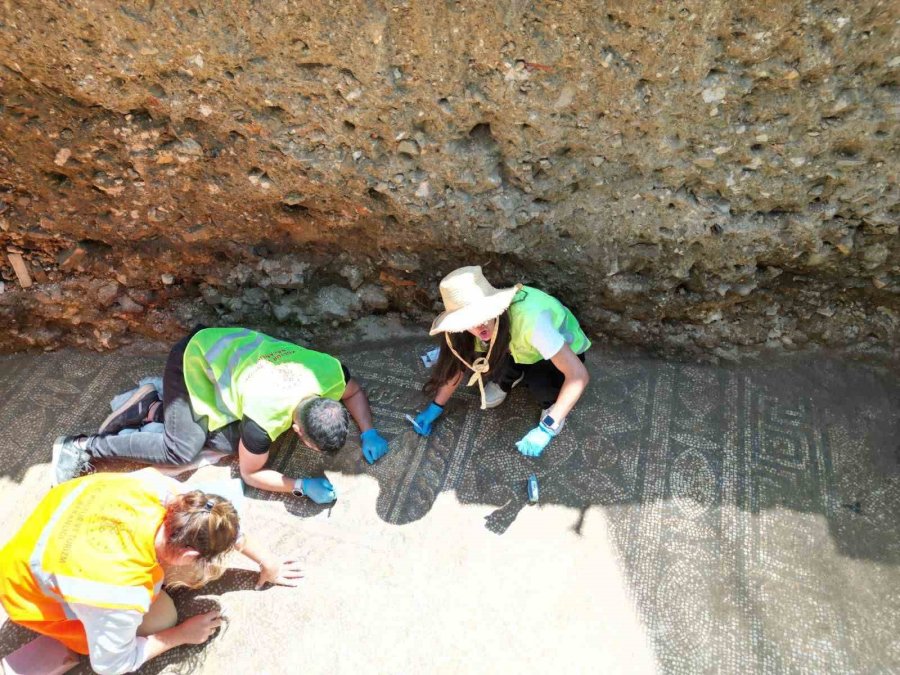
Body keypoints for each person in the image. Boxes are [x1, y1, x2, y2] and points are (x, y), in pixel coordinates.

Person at [0, 468, 301, 675]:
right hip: (26, 595)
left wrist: (268, 562)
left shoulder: (155, 487)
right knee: (163, 616)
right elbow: (112, 665)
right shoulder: (119, 592)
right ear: (188, 556)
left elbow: (210, 520)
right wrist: (180, 634)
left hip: (28, 552)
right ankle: (75, 632)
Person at [51, 327, 390, 504]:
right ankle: (83, 446)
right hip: (194, 359)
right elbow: (251, 473)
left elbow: (354, 393)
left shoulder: (330, 373)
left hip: (229, 349)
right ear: (299, 431)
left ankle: (154, 408)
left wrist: (368, 430)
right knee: (181, 451)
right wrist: (299, 486)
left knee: (227, 443)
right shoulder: (265, 418)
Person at [408, 266, 591, 457]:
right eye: (467, 320)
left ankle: (552, 404)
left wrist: (548, 427)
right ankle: (511, 376)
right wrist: (436, 406)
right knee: (486, 358)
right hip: (519, 348)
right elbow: (458, 364)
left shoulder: (533, 323)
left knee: (540, 384)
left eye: (480, 313)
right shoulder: (472, 329)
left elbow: (577, 375)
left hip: (560, 351)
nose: (477, 325)